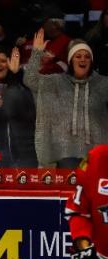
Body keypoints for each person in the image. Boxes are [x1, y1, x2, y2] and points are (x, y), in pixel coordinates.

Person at [23, 30, 108, 168]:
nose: (82, 59)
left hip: (97, 154)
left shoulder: (103, 84)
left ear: (91, 61)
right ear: (70, 60)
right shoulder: (57, 81)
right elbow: (30, 80)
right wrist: (36, 53)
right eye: (78, 56)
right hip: (66, 153)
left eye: (87, 57)